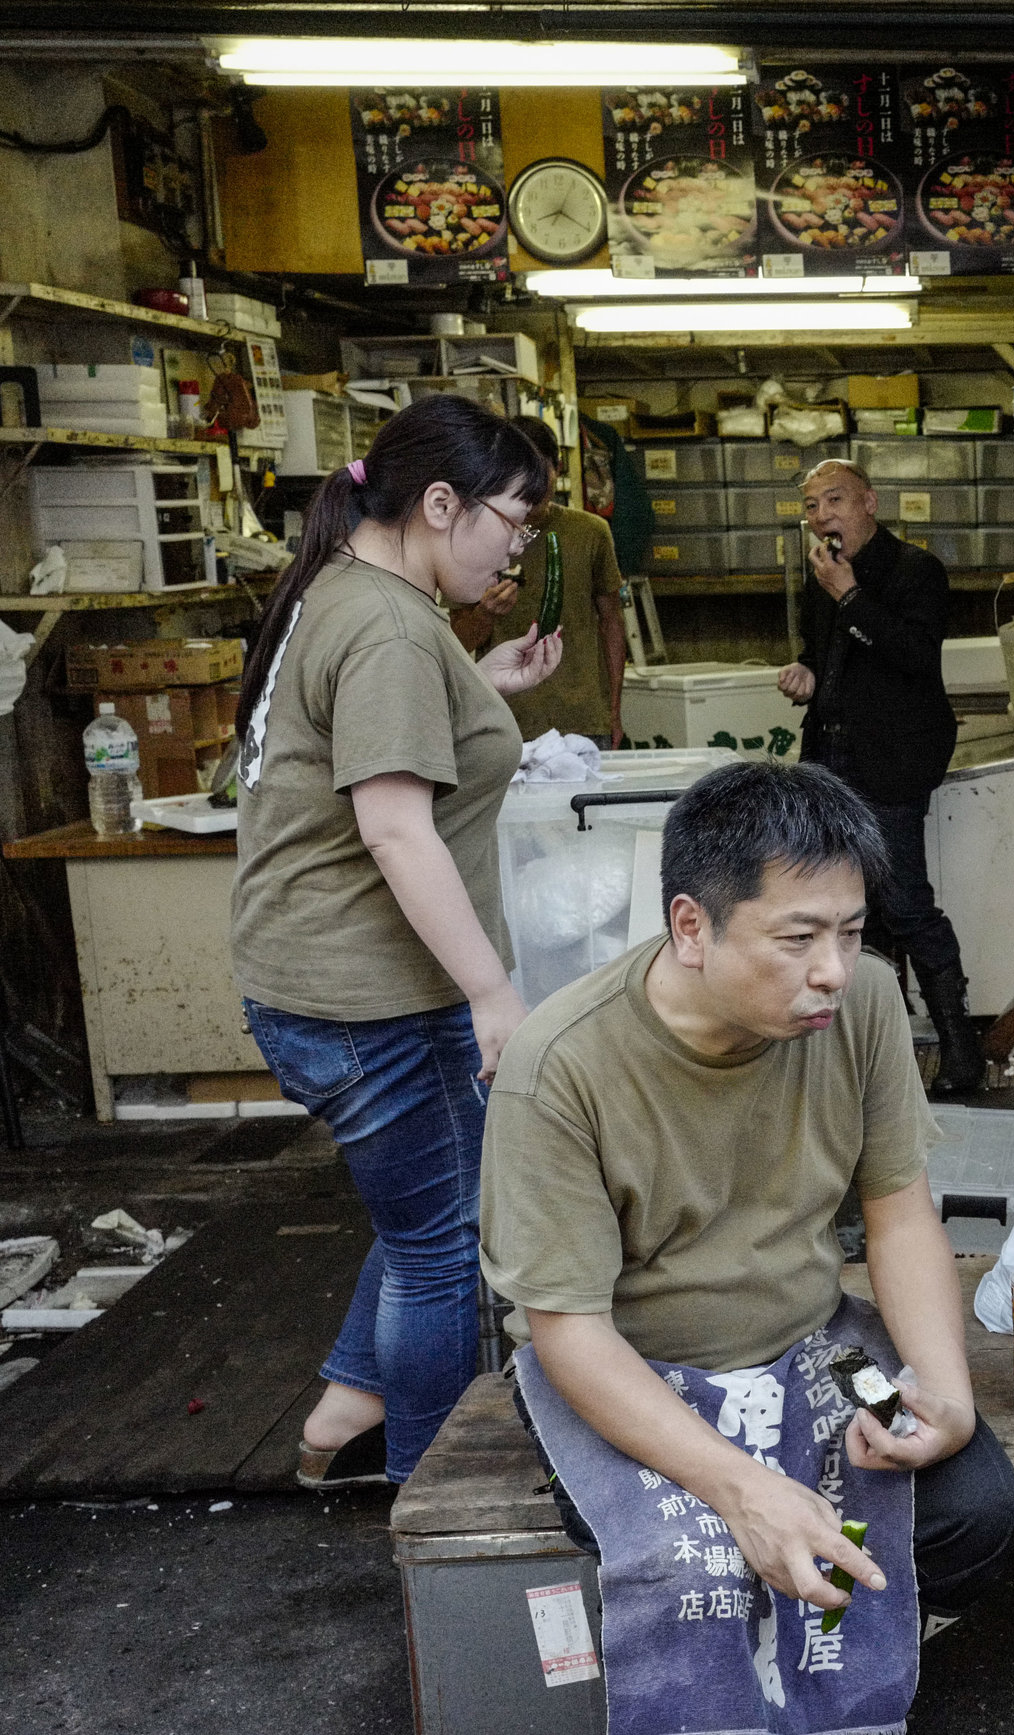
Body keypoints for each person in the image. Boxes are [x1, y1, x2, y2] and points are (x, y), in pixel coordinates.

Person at [479, 762, 1014, 1717]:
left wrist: (942, 1391)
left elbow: (898, 1211)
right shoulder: (559, 1068)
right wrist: (740, 1488)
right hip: (642, 1366)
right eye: (798, 936)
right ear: (692, 927)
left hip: (821, 1342)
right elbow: (567, 1327)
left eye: (851, 932)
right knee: (696, 1552)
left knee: (972, 1507)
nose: (832, 969)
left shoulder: (863, 1005)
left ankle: (837, 1661)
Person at [229, 395, 562, 1489]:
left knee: (435, 1199)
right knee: (444, 1251)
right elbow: (391, 822)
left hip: (336, 988)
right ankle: (429, 1492)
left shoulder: (365, 591)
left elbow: (387, 731)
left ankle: (343, 1412)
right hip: (368, 1003)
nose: (518, 548)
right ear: (437, 503)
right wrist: (491, 990)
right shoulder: (385, 626)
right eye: (513, 520)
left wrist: (487, 684)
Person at [777, 458, 982, 1096]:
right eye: (812, 507)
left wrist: (850, 596)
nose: (822, 517)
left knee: (904, 904)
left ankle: (961, 1051)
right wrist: (805, 674)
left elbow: (915, 657)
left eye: (833, 501)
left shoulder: (917, 571)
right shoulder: (823, 575)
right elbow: (823, 656)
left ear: (869, 501)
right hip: (830, 760)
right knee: (826, 903)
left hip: (894, 759)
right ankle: (852, 1050)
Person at [450, 416, 630, 745]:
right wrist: (486, 614)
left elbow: (612, 622)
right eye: (518, 475)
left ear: (557, 468)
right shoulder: (473, 541)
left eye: (539, 471)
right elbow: (457, 645)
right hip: (504, 721)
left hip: (584, 720)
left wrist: (613, 711)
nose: (530, 486)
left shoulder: (591, 532)